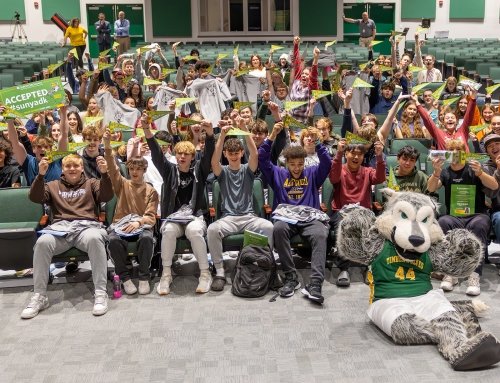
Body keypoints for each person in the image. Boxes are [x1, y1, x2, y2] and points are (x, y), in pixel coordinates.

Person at [21, 154, 114, 319]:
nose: (72, 169)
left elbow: (106, 196)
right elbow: (34, 197)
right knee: (42, 242)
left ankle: (100, 292)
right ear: (62, 169)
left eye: (76, 166)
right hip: (60, 230)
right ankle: (40, 296)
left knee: (95, 239)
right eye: (68, 166)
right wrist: (40, 175)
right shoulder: (52, 185)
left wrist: (105, 174)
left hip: (86, 228)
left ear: (82, 168)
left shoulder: (91, 183)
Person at [142, 113, 215, 295]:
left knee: (194, 231)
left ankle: (205, 273)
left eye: (186, 154)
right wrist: (146, 130)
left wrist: (210, 133)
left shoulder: (200, 168)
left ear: (192, 156)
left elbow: (208, 155)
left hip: (194, 216)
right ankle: (166, 274)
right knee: (167, 231)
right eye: (179, 153)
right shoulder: (169, 171)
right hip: (174, 218)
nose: (182, 156)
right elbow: (157, 154)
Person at [259, 122, 332, 303]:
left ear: (304, 162)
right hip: (286, 218)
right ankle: (291, 277)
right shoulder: (278, 174)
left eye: (300, 164)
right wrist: (272, 135)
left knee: (321, 233)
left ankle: (315, 283)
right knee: (278, 229)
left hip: (309, 217)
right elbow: (262, 159)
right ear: (286, 163)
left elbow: (327, 163)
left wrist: (318, 142)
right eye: (293, 164)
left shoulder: (313, 173)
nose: (297, 168)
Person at [208, 122, 274, 292]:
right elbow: (214, 160)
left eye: (237, 153)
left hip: (249, 217)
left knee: (268, 226)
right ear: (226, 154)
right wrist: (222, 136)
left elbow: (255, 154)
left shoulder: (248, 170)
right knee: (212, 230)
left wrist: (245, 131)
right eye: (230, 154)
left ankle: (268, 266)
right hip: (228, 218)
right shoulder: (222, 172)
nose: (234, 156)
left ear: (241, 153)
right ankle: (220, 271)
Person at [427, 139, 498, 296]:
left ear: (464, 154)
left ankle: (474, 275)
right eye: (452, 152)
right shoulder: (445, 171)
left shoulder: (473, 168)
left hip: (477, 215)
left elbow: (494, 186)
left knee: (480, 225)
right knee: (443, 222)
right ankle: (450, 273)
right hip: (455, 216)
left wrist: (480, 173)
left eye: (459, 152)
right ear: (448, 155)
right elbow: (430, 188)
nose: (456, 156)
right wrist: (436, 172)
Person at [103, 129, 159, 295]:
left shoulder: (151, 191)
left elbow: (150, 216)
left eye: (138, 169)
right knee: (112, 240)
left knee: (147, 238)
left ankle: (143, 276)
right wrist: (107, 145)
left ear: (144, 170)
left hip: (141, 226)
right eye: (132, 169)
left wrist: (139, 222)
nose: (135, 172)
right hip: (121, 225)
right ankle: (125, 277)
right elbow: (112, 168)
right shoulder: (123, 184)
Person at [329, 138, 385, 287]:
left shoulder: (367, 171)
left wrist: (379, 156)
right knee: (344, 225)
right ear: (346, 153)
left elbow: (380, 178)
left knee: (373, 229)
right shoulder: (339, 169)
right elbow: (333, 178)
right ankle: (344, 269)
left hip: (363, 212)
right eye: (352, 153)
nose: (355, 157)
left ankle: (370, 268)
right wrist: (338, 154)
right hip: (342, 212)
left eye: (359, 154)